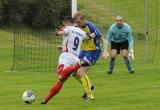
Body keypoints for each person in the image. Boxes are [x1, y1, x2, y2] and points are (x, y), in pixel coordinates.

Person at [41, 16, 92, 104]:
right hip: (75, 57)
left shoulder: (67, 28)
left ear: (66, 22)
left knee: (61, 76)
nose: (63, 25)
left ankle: (79, 64)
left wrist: (57, 33)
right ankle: (46, 99)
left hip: (66, 57)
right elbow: (88, 37)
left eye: (63, 24)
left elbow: (62, 32)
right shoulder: (81, 31)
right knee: (61, 80)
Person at [73, 11, 109, 100]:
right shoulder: (77, 27)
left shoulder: (91, 27)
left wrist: (105, 52)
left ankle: (89, 95)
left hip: (94, 52)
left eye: (78, 22)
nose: (77, 24)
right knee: (73, 72)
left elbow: (103, 40)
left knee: (80, 71)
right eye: (76, 22)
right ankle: (89, 85)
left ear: (84, 20)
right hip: (84, 51)